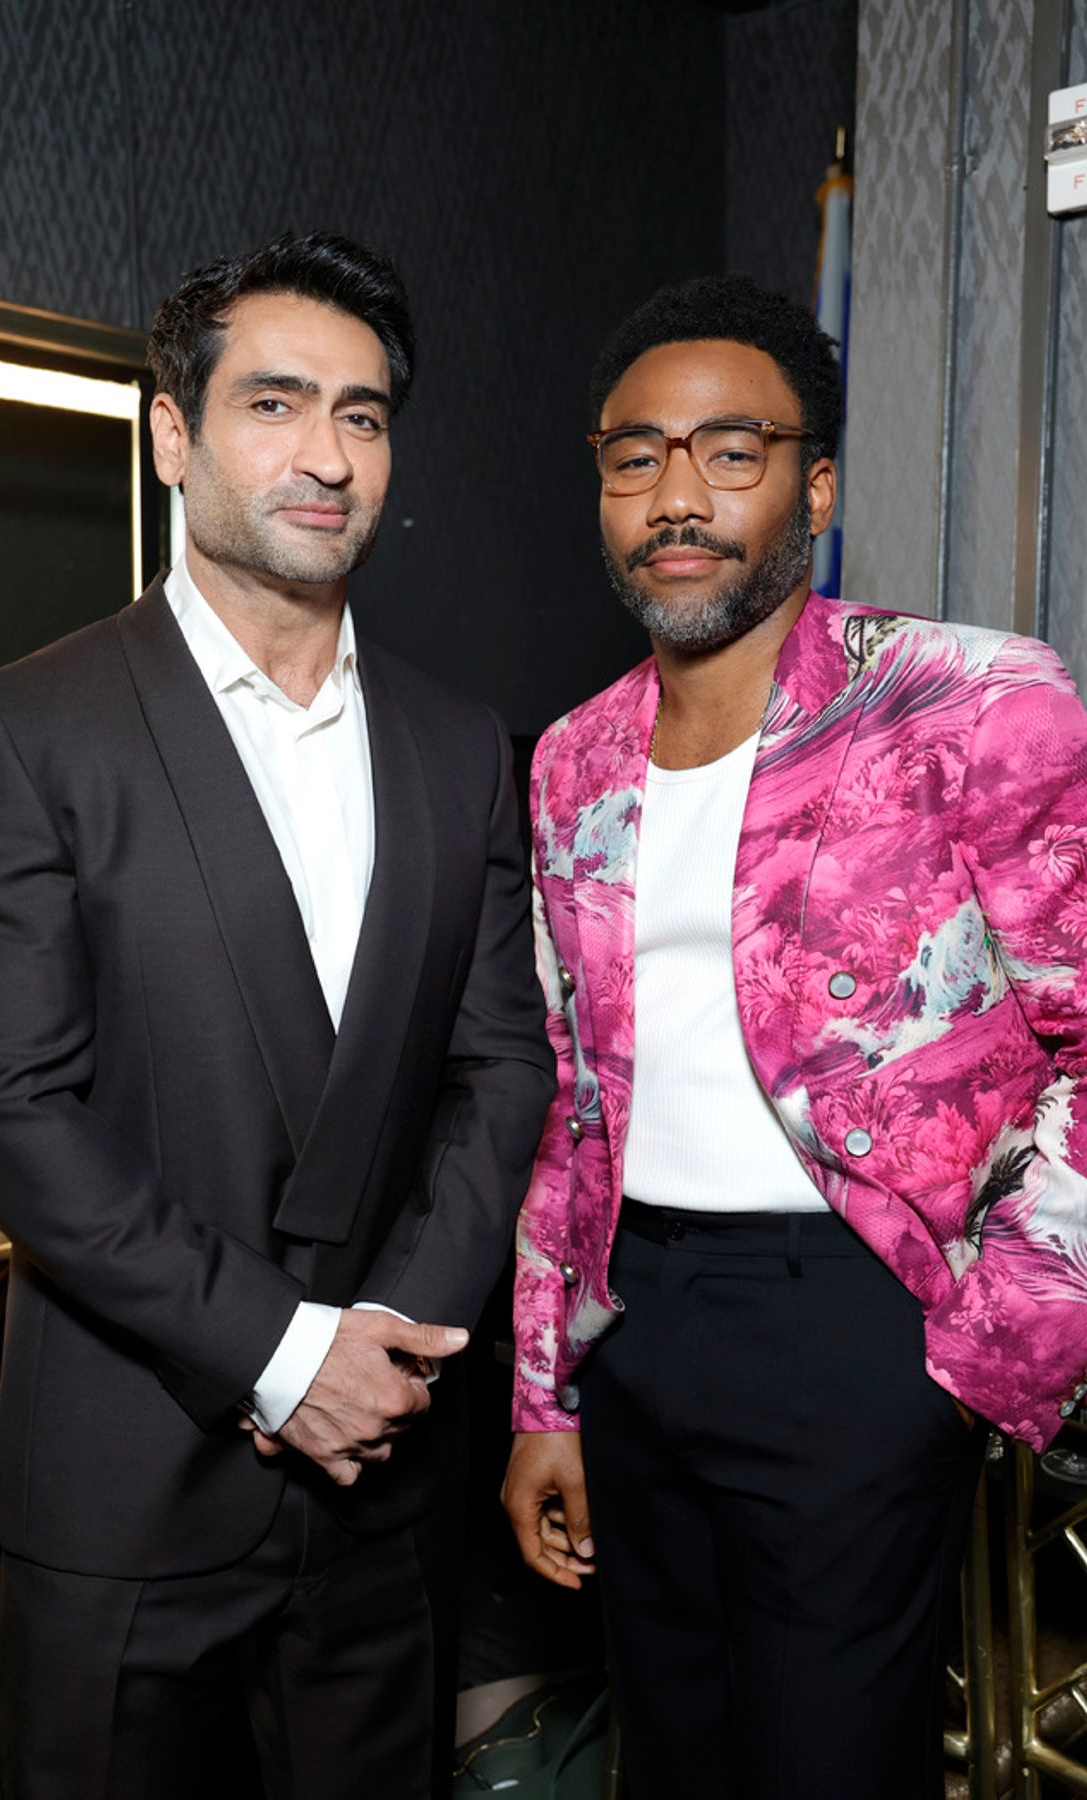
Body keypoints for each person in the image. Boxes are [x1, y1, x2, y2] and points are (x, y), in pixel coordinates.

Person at [0, 229, 554, 1800]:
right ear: (174, 431)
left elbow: (500, 1065)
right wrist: (281, 1352)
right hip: (133, 1490)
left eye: (364, 412)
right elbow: (13, 1110)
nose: (327, 455)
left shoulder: (461, 746)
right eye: (275, 402)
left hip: (391, 1488)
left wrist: (388, 1349)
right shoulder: (28, 726)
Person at [502, 272, 1087, 1800]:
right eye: (636, 458)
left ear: (814, 486)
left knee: (832, 1769)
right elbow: (573, 1100)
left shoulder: (968, 698)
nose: (676, 498)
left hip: (859, 1323)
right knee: (673, 1758)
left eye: (729, 451)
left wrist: (992, 1336)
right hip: (638, 1322)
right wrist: (546, 1394)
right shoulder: (573, 759)